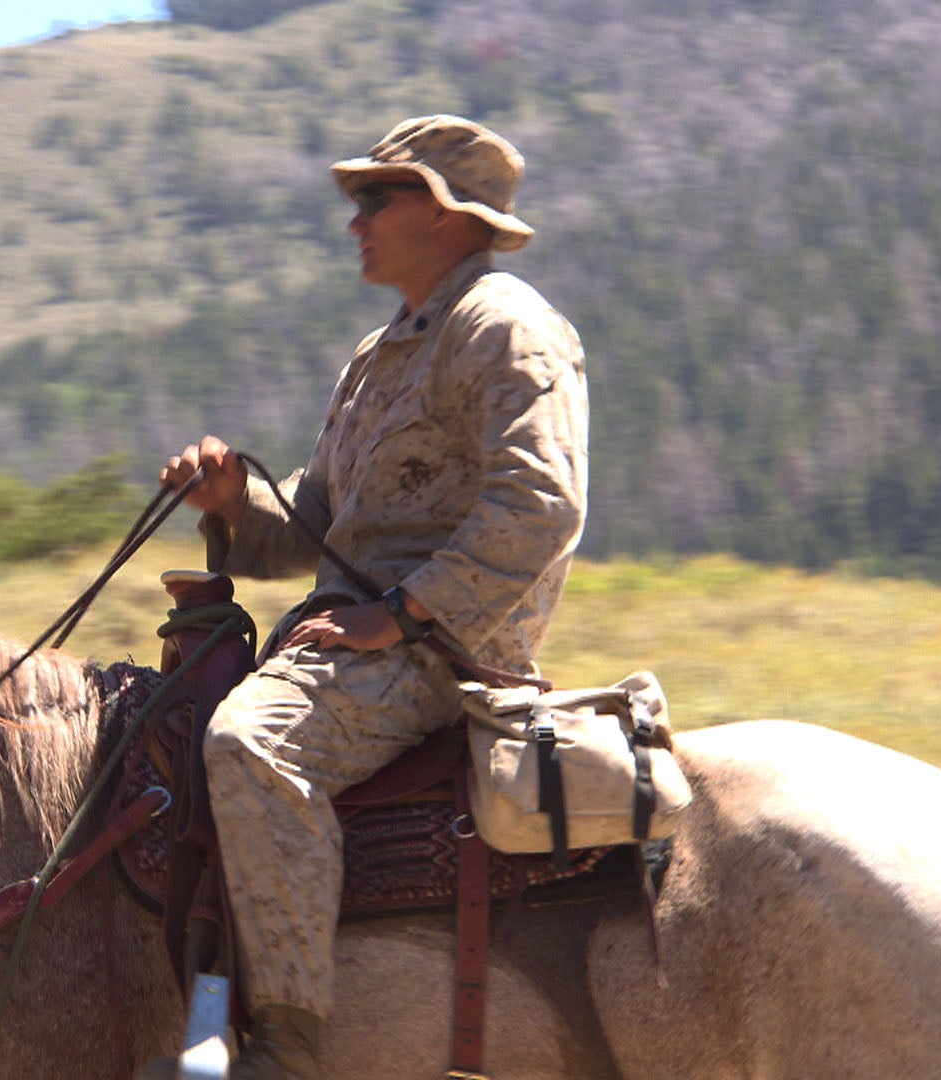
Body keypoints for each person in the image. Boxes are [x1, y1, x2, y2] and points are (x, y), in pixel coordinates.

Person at [148, 115, 588, 1080]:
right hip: (359, 637)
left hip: (446, 659)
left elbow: (542, 504)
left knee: (250, 747)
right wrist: (232, 504)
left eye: (376, 198)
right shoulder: (380, 351)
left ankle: (290, 1052)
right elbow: (315, 528)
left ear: (444, 214)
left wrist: (403, 614)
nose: (356, 218)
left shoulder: (506, 325)